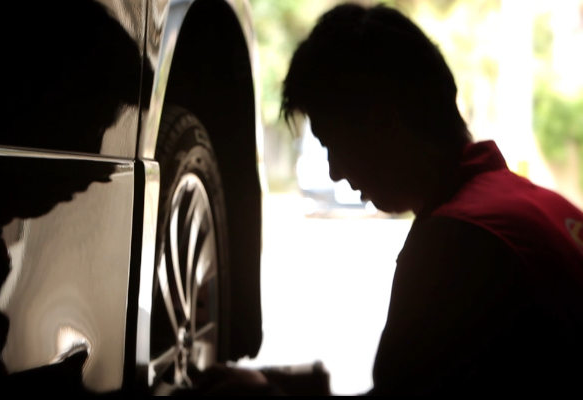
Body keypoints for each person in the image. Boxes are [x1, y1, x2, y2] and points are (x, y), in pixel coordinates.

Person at [198, 2, 583, 396]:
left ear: (384, 122)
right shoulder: (549, 210)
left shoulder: (456, 242)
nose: (334, 172)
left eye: (333, 144)